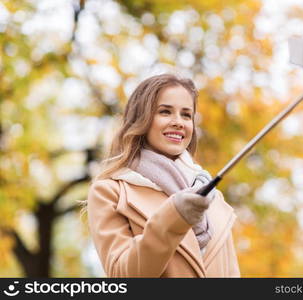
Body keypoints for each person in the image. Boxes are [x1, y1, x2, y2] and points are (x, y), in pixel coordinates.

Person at [87, 74, 240, 277]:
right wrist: (173, 217)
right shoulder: (110, 192)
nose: (178, 122)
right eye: (165, 112)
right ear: (142, 119)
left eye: (186, 115)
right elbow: (122, 274)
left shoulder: (212, 198)